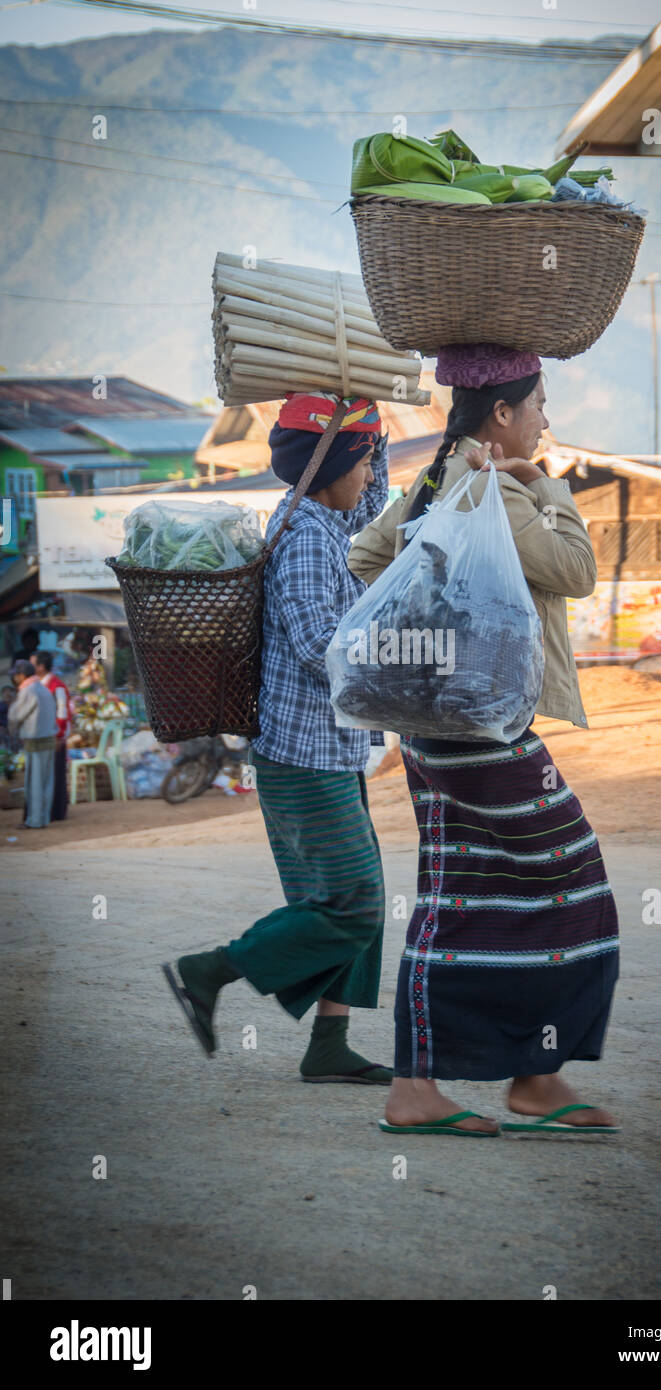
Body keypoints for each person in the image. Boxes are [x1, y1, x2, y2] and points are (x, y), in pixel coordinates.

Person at [347, 344, 620, 1137]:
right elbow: (574, 569)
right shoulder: (494, 488)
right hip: (482, 725)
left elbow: (367, 555)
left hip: (436, 722)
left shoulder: (437, 476)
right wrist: (547, 486)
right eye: (537, 404)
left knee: (467, 891)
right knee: (569, 881)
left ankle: (525, 1076)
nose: (545, 417)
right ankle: (435, 1085)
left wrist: (425, 619)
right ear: (501, 414)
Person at [163, 393, 393, 1084]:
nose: (370, 476)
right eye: (362, 461)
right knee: (353, 902)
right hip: (303, 759)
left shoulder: (322, 514)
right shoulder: (302, 539)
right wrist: (394, 658)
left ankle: (328, 1045)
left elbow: (368, 495)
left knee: (351, 900)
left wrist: (369, 418)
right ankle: (209, 971)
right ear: (334, 467)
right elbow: (314, 644)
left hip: (331, 751)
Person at [7, 659, 57, 830]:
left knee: (34, 782)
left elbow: (15, 716)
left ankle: (34, 820)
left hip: (35, 741)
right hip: (49, 739)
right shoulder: (43, 689)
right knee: (46, 782)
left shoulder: (28, 691)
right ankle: (43, 818)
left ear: (21, 675)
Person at [32, 650, 72, 821]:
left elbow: (62, 713)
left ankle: (57, 811)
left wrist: (58, 735)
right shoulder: (40, 684)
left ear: (41, 667)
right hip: (46, 735)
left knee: (55, 774)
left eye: (32, 664)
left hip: (55, 737)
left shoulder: (56, 685)